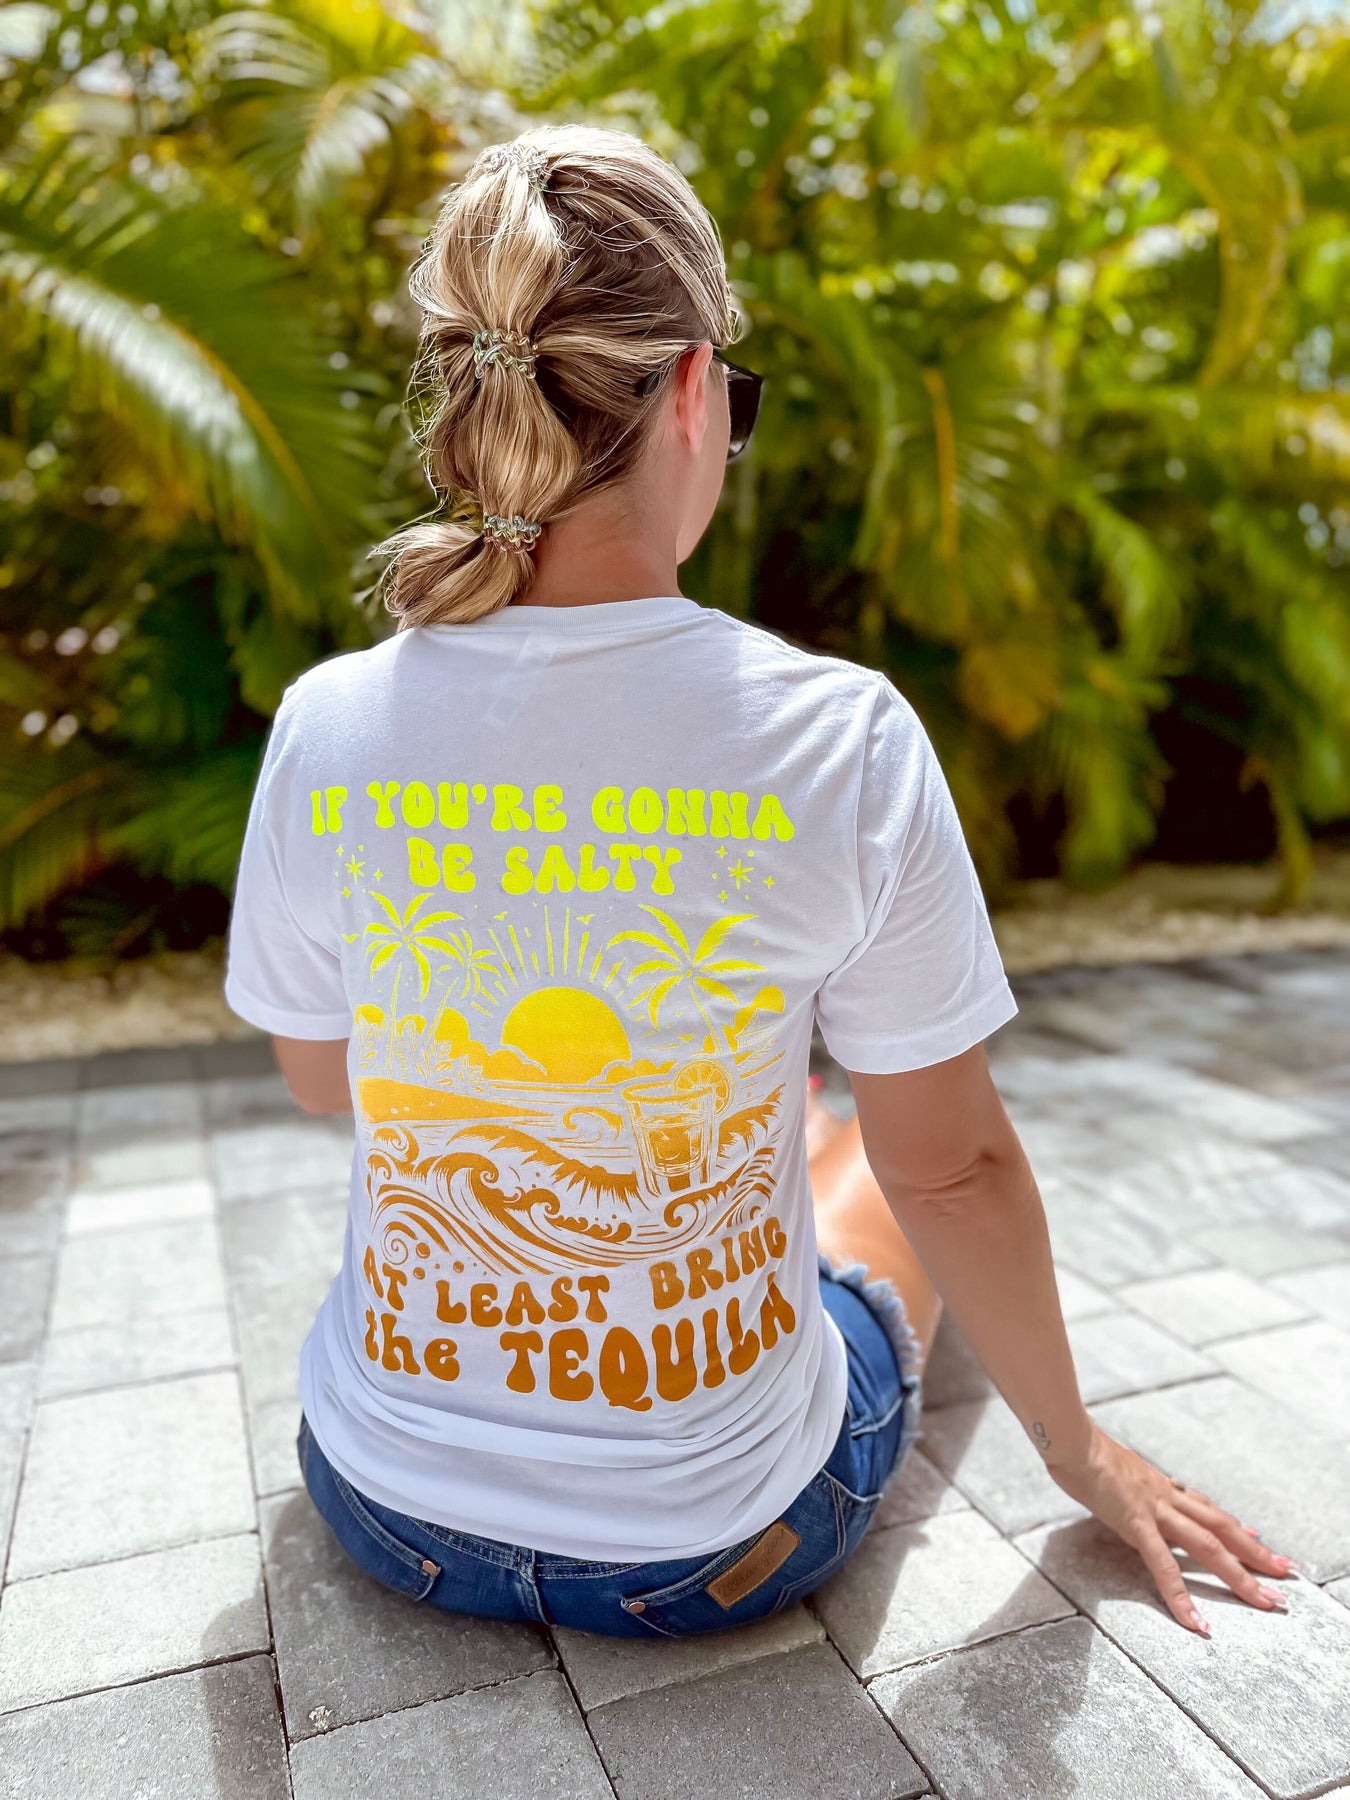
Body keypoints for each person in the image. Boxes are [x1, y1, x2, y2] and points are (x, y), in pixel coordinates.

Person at [223, 123, 1294, 1640]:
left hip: (387, 1504)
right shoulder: (833, 735)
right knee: (853, 1141)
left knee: (790, 1117)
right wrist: (1083, 1455)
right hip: (715, 1541)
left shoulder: (331, 720)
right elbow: (955, 1171)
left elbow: (319, 1073)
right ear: (688, 389)